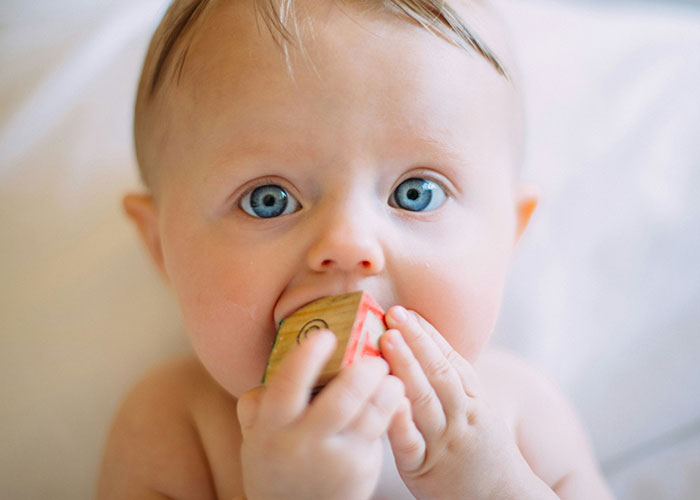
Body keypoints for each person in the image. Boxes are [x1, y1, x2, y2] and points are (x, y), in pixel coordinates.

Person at [98, 0, 613, 498]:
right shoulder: (175, 427)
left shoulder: (520, 412)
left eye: (417, 193)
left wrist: (495, 487)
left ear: (508, 238)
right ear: (161, 246)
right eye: (268, 200)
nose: (348, 244)